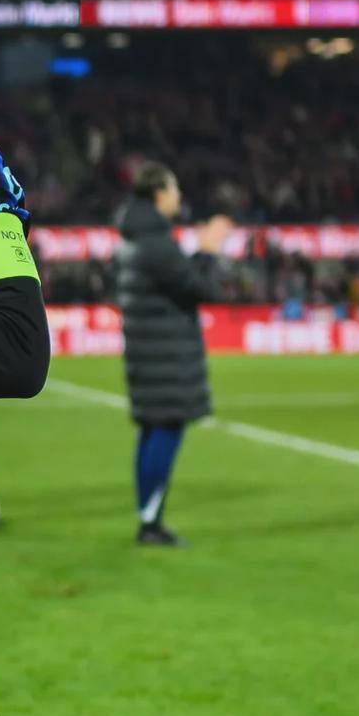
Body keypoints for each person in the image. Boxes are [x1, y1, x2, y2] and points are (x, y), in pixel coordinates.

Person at [114, 164, 233, 548]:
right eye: (174, 188)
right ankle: (151, 524)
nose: (179, 195)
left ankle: (148, 518)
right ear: (159, 194)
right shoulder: (156, 242)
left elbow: (178, 281)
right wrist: (208, 251)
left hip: (149, 352)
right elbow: (199, 287)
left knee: (153, 429)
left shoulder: (138, 237)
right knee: (164, 428)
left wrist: (197, 253)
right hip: (164, 355)